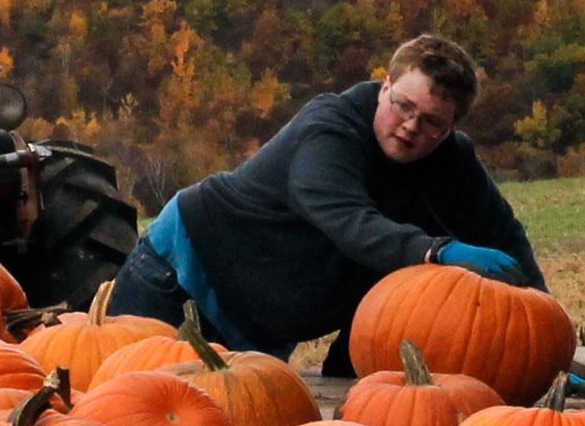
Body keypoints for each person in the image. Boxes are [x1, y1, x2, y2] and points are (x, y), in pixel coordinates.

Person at [106, 34, 547, 376]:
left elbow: (503, 236)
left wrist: (545, 341)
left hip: (262, 325)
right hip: (180, 276)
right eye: (403, 106)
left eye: (431, 121)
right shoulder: (329, 130)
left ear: (452, 127)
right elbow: (346, 219)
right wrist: (437, 251)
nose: (411, 126)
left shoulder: (454, 163)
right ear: (384, 87)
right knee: (133, 411)